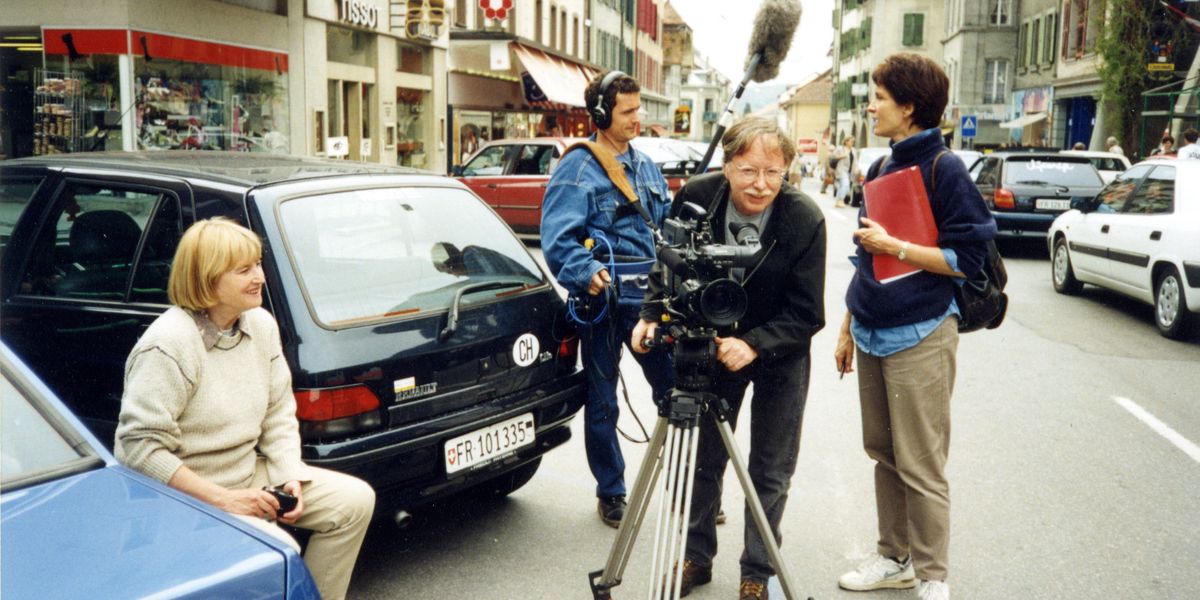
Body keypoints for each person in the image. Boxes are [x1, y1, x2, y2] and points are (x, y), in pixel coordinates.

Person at [115, 218, 375, 600]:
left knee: (354, 502)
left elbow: (278, 414)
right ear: (207, 279)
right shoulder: (168, 345)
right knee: (281, 553)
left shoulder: (259, 324)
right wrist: (224, 499)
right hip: (186, 494)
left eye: (257, 264)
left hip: (248, 473)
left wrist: (289, 474)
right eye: (244, 270)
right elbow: (138, 450)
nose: (260, 277)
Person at [634, 116, 827, 600]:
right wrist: (651, 312)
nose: (761, 185)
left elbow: (807, 312)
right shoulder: (698, 193)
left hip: (779, 353)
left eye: (773, 173)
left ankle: (756, 574)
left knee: (770, 467)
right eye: (748, 171)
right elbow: (668, 259)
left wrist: (756, 343)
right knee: (704, 460)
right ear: (727, 166)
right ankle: (696, 558)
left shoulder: (804, 217)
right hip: (712, 345)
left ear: (786, 171)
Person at [833, 53, 996, 600]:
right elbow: (866, 260)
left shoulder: (943, 168)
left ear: (908, 106)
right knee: (883, 452)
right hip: (873, 331)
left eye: (879, 97)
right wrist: (846, 326)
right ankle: (893, 557)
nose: (871, 106)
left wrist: (897, 246)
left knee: (921, 461)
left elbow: (969, 257)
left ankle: (933, 577)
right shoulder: (880, 168)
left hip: (923, 331)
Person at [540, 71, 675, 528]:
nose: (639, 118)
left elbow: (666, 231)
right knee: (603, 403)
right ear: (601, 114)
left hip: (650, 304)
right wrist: (587, 270)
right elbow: (557, 240)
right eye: (628, 111)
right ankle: (611, 492)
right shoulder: (576, 169)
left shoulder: (647, 167)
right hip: (602, 307)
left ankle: (688, 489)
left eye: (640, 110)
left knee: (675, 393)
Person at [834, 136, 857, 207]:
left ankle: (837, 201)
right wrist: (843, 156)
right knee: (845, 184)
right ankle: (841, 200)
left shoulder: (853, 150)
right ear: (846, 141)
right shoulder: (840, 148)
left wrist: (856, 169)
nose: (852, 143)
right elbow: (834, 156)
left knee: (842, 185)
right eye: (851, 141)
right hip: (842, 169)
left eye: (853, 142)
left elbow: (855, 161)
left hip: (850, 171)